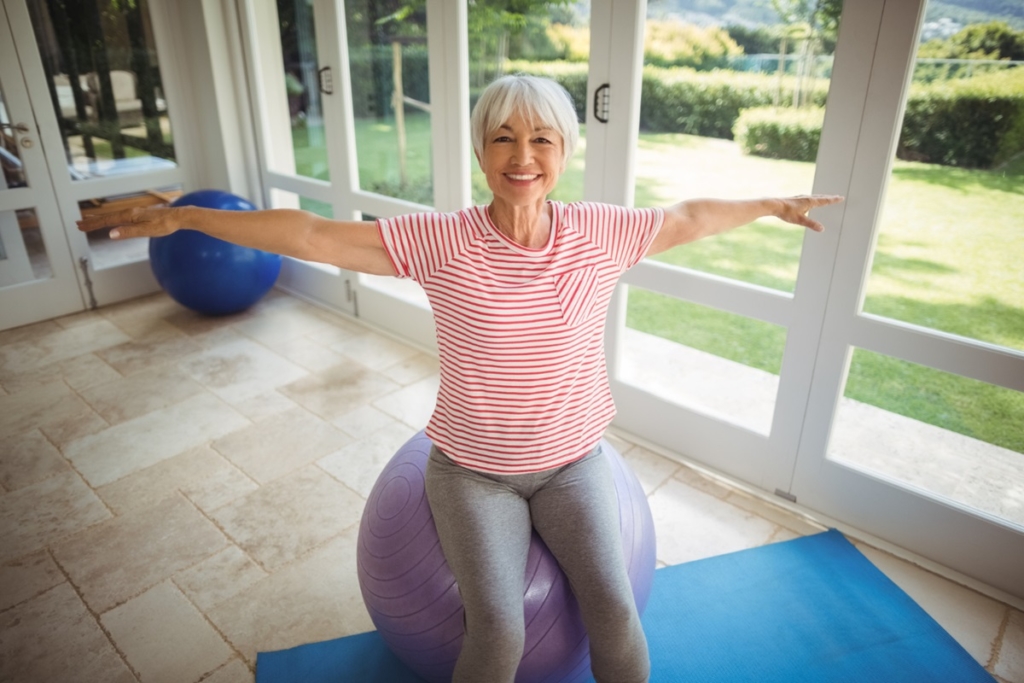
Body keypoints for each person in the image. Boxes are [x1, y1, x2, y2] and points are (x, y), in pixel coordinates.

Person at [78, 75, 842, 683]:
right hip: (474, 474)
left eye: (541, 138)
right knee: (500, 629)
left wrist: (771, 203)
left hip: (575, 462)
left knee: (614, 607)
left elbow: (687, 217)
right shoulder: (442, 241)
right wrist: (187, 218)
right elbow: (311, 233)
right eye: (503, 137)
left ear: (564, 150)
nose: (522, 155)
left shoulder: (600, 232)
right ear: (481, 149)